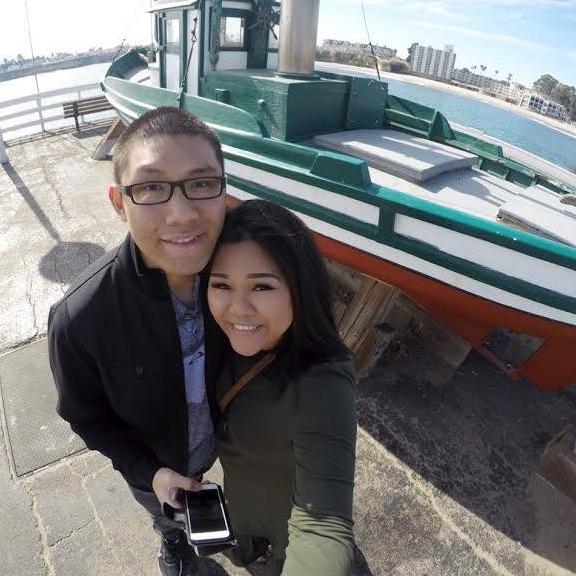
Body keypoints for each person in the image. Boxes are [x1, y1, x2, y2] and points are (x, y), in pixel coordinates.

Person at [48, 106, 227, 576]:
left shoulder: (243, 274)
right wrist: (150, 472)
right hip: (152, 463)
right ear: (118, 202)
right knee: (165, 511)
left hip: (216, 444)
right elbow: (86, 417)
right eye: (150, 188)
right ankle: (171, 540)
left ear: (224, 190)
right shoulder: (80, 318)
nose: (182, 214)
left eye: (201, 183)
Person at [205, 199, 357, 575]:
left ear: (299, 289)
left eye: (261, 286)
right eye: (222, 284)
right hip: (240, 505)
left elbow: (323, 526)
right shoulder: (214, 342)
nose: (238, 309)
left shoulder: (320, 382)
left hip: (288, 530)